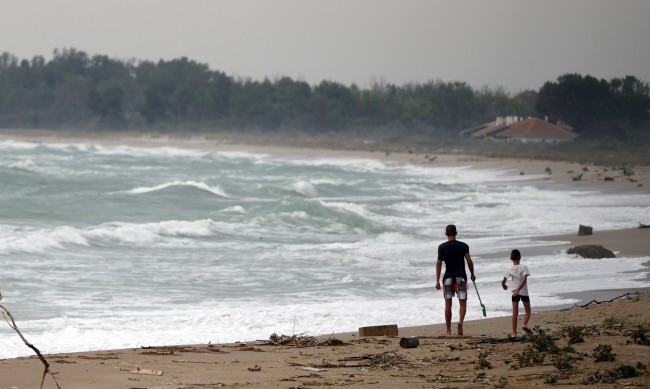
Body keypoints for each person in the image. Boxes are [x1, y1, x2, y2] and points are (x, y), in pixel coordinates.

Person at [435, 224, 476, 336]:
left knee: (448, 304)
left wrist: (437, 280)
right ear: (456, 233)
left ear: (446, 234)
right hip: (460, 277)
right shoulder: (463, 246)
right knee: (462, 302)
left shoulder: (442, 247)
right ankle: (460, 323)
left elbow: (438, 264)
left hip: (448, 278)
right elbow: (469, 261)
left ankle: (448, 330)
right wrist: (472, 274)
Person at [501, 249, 531, 337]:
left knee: (515, 313)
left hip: (514, 293)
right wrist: (519, 289)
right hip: (524, 292)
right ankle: (524, 325)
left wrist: (504, 286)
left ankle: (514, 333)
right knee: (528, 311)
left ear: (511, 258)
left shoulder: (509, 269)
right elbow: (524, 279)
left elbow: (503, 281)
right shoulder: (524, 267)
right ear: (520, 257)